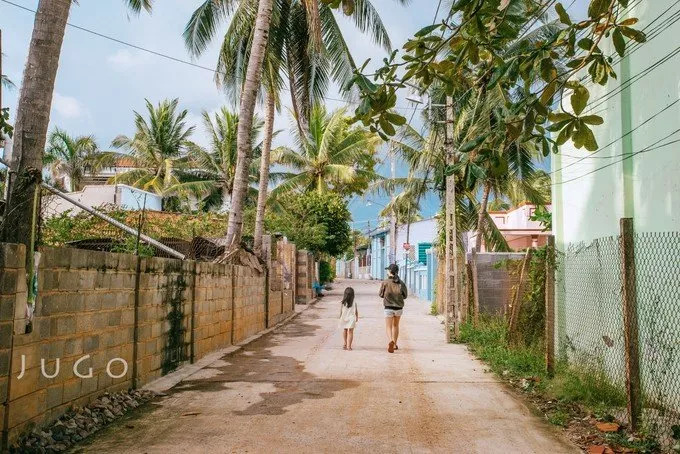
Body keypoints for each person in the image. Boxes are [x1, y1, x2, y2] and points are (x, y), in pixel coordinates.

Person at [379, 264, 407, 353]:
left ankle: (391, 340)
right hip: (399, 308)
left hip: (388, 308)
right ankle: (394, 344)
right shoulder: (401, 283)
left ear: (390, 272)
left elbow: (381, 294)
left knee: (388, 326)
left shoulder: (385, 282)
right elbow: (405, 295)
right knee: (396, 325)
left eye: (388, 270)